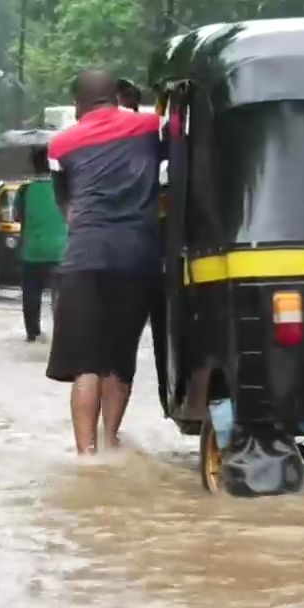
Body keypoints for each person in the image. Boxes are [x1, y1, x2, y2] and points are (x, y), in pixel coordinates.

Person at [46, 69, 163, 455]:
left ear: (77, 104)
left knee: (86, 364)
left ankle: (86, 455)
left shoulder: (60, 145)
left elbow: (66, 205)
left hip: (84, 259)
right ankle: (111, 440)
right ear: (117, 96)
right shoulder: (151, 128)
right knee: (119, 359)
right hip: (137, 258)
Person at [117, 79, 170, 415]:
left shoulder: (152, 138)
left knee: (119, 348)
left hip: (143, 255)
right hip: (145, 254)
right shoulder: (153, 138)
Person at [16, 147, 67, 342]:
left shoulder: (25, 191)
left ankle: (32, 333)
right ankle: (61, 336)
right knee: (60, 297)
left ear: (34, 166)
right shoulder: (65, 189)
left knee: (31, 295)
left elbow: (18, 217)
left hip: (32, 252)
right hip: (60, 252)